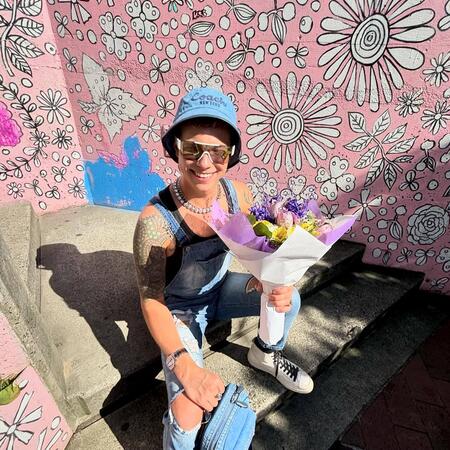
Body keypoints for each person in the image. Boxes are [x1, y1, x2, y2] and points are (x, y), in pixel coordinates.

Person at [133, 87, 314, 449]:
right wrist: (183, 364)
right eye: (193, 149)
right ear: (175, 149)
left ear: (230, 155)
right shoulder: (155, 222)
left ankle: (265, 352)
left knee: (288, 299)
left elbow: (254, 249)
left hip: (221, 290)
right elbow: (150, 299)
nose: (204, 163)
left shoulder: (238, 195)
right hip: (180, 312)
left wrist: (270, 279)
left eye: (217, 151)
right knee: (189, 409)